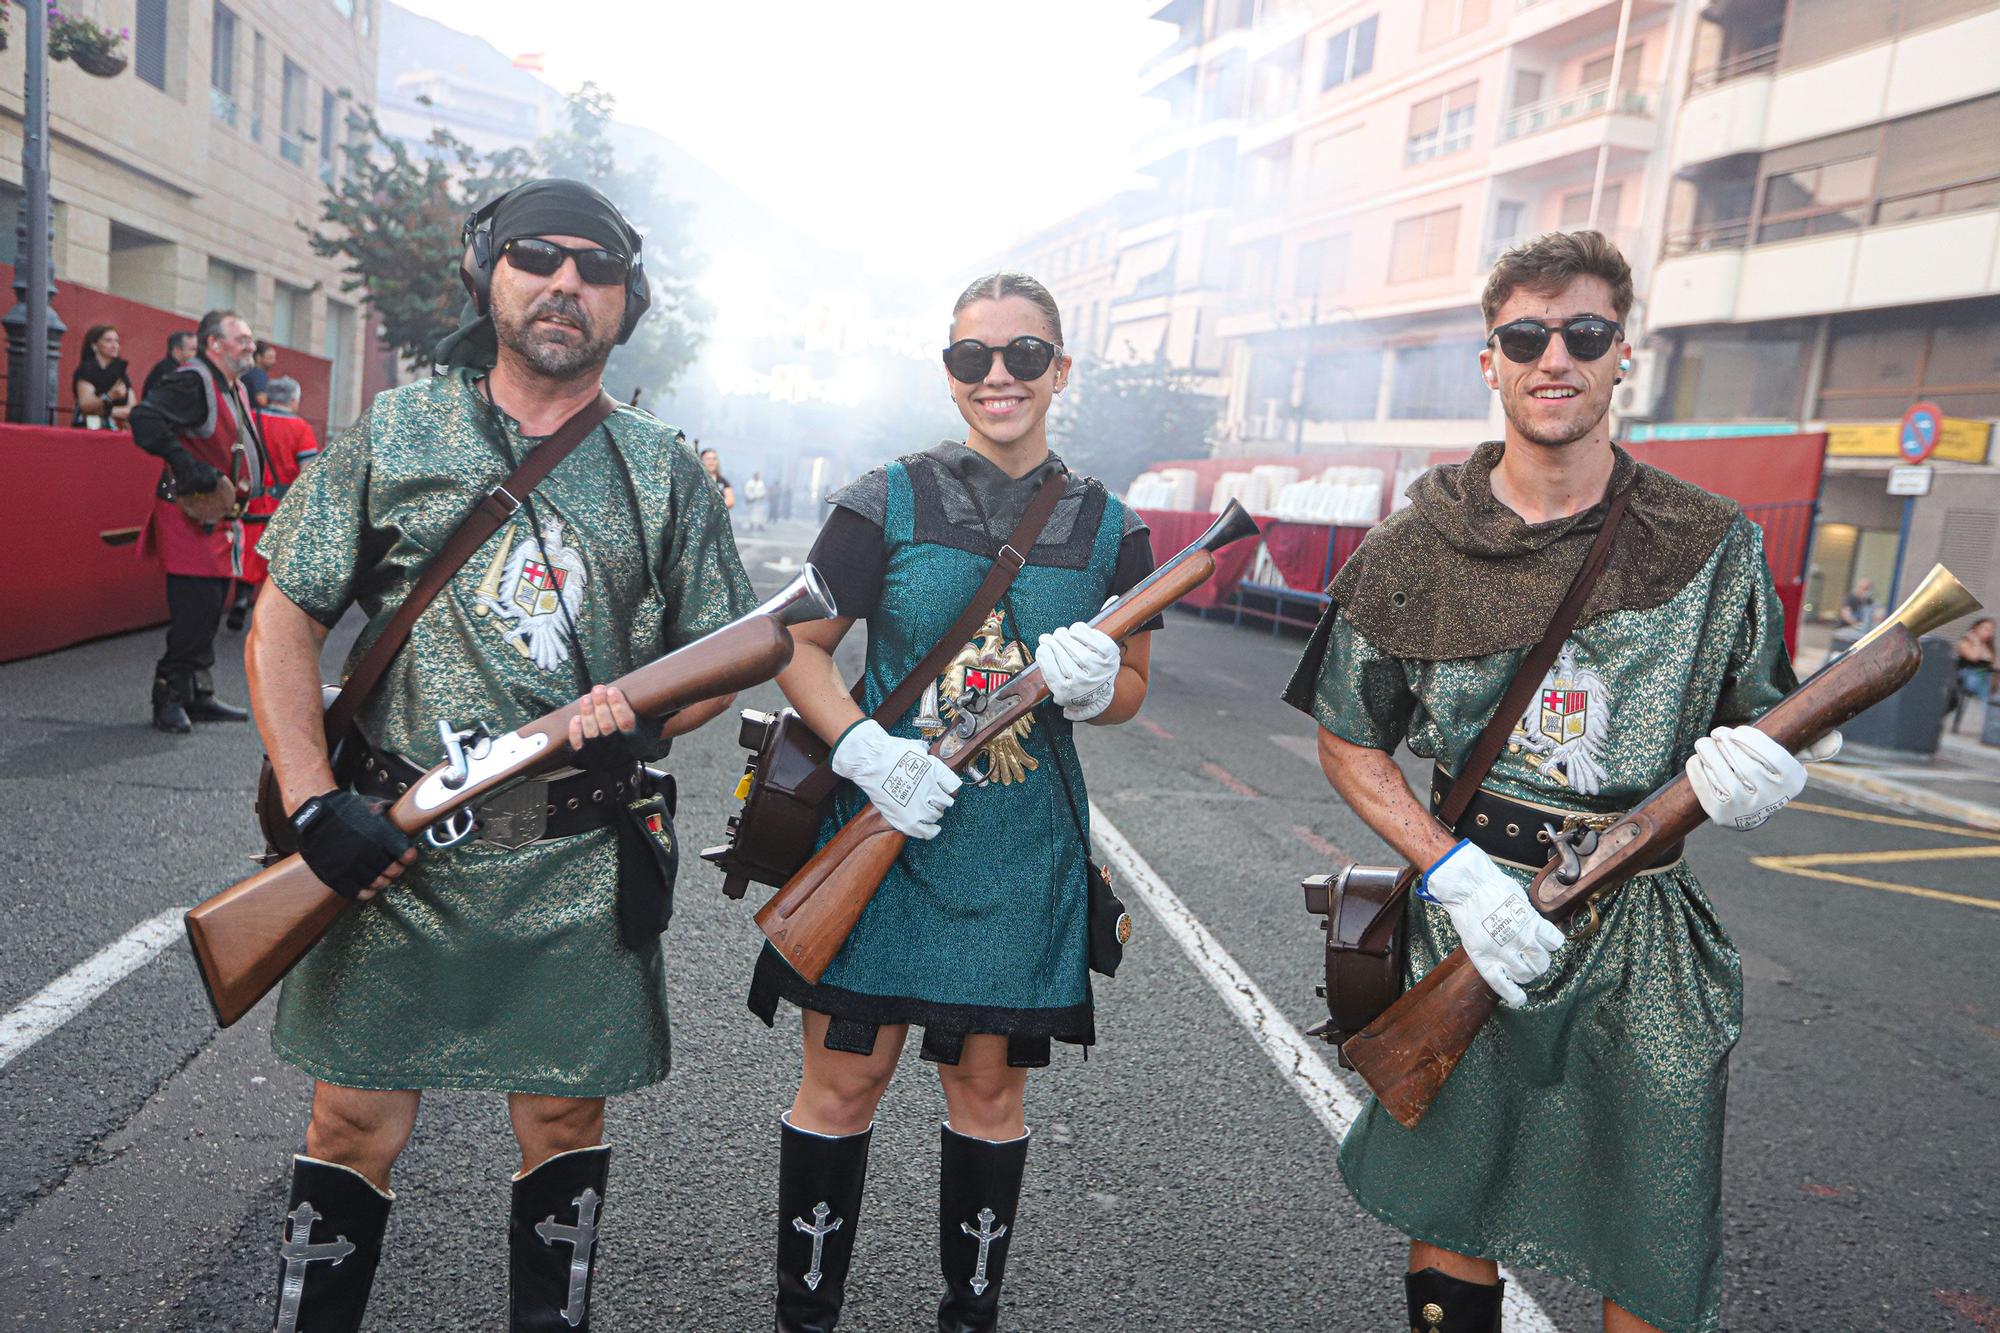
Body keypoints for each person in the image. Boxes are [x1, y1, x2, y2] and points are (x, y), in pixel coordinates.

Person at [1283, 231, 1841, 1333]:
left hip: (1644, 924)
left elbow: (1772, 724)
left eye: (1582, 334)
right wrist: (1451, 873)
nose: (1554, 358)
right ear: (1487, 360)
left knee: (1651, 1224)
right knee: (1456, 1199)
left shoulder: (1707, 540)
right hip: (1474, 916)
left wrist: (1769, 776)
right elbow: (1348, 737)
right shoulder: (1415, 545)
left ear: (1619, 355)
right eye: (1524, 336)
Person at [247, 177, 754, 1333]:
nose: (566, 283)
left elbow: (722, 655)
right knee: (347, 1124)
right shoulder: (398, 430)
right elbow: (283, 618)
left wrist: (645, 717)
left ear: (630, 303)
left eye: (599, 267)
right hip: (392, 854)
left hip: (574, 860)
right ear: (489, 272)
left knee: (565, 1128)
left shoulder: (664, 469)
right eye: (538, 256)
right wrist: (312, 800)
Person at [749, 272, 1160, 1331]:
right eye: (973, 357)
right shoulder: (882, 498)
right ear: (947, 371)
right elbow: (794, 649)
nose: (997, 377)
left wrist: (1088, 684)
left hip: (1018, 854)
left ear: (1058, 369)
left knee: (987, 1097)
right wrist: (864, 751)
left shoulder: (1113, 528)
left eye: (1024, 355)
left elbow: (1130, 688)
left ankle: (965, 1318)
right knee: (842, 1085)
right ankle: (805, 1316)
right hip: (878, 836)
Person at [129, 309, 266, 733]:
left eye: (250, 338)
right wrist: (185, 464)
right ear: (213, 344)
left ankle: (197, 694)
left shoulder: (234, 386)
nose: (250, 345)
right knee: (195, 612)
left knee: (209, 610)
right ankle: (167, 694)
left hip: (218, 520)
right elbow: (144, 419)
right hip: (188, 518)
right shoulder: (193, 380)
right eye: (241, 338)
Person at [230, 376, 322, 631]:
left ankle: (240, 599)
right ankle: (267, 614)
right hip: (282, 502)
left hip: (251, 499)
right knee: (277, 557)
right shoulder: (300, 427)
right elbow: (307, 471)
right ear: (293, 400)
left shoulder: (251, 419)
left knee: (248, 550)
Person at [71, 323, 133, 429]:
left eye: (117, 341)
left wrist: (106, 412)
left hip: (117, 430)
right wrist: (109, 396)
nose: (114, 345)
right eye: (108, 340)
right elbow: (86, 404)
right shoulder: (87, 370)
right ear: (94, 345)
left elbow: (132, 408)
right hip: (89, 429)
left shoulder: (121, 371)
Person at [141, 330, 197, 400]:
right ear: (177, 351)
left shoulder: (176, 369)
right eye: (193, 349)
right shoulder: (169, 371)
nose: (197, 354)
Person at [1955, 616, 1995, 703]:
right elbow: (1974, 657)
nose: (1989, 632)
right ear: (1976, 627)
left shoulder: (1988, 646)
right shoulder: (1965, 643)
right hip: (1969, 676)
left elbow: (1991, 663)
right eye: (1986, 628)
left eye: (1991, 630)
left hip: (1984, 678)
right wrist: (1976, 641)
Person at [243, 338, 279, 409]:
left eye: (274, 357)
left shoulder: (249, 371)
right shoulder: (258, 374)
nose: (274, 361)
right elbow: (262, 400)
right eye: (270, 357)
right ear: (258, 358)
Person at [700, 444, 736, 509]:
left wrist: (714, 505)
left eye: (714, 459)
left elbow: (730, 501)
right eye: (708, 459)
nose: (712, 461)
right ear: (701, 461)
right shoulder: (697, 480)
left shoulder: (722, 481)